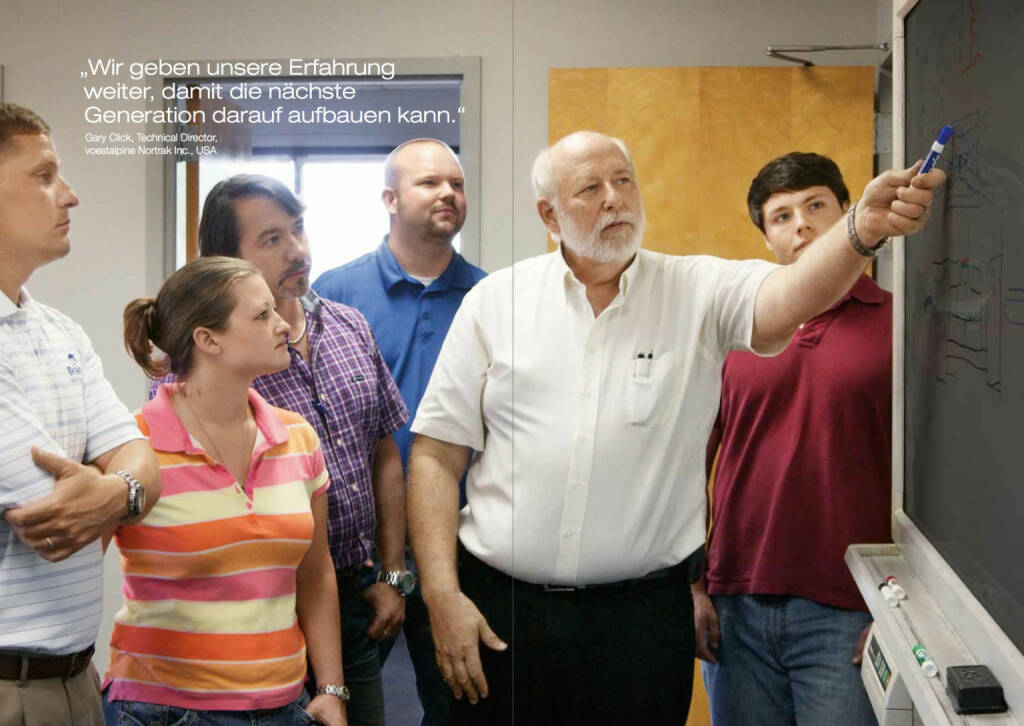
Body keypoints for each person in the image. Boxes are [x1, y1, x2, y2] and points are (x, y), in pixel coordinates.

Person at [406, 130, 945, 726]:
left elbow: (793, 293)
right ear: (549, 214)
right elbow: (435, 454)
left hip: (640, 622)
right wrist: (440, 594)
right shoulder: (494, 301)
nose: (615, 198)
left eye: (624, 181)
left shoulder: (700, 291)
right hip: (501, 609)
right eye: (590, 188)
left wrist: (860, 231)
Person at [154, 175, 409, 726]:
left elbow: (384, 449)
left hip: (348, 591)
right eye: (271, 239)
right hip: (249, 605)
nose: (297, 249)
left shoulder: (348, 327)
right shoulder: (200, 368)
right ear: (227, 259)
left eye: (297, 229)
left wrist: (392, 573)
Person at [692, 152, 890, 726]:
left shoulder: (898, 327)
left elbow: (934, 485)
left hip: (849, 609)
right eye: (781, 216)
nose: (800, 223)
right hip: (735, 605)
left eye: (815, 206)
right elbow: (690, 465)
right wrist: (693, 585)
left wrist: (900, 611)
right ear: (767, 237)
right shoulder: (733, 334)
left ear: (848, 214)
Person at [105, 256, 346, 725]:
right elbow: (74, 561)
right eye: (261, 315)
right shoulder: (131, 446)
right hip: (163, 710)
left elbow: (316, 576)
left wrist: (332, 688)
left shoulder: (298, 438)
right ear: (207, 339)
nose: (282, 325)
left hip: (284, 707)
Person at [314, 138, 486, 726]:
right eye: (430, 183)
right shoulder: (334, 298)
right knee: (340, 703)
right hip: (358, 552)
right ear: (389, 198)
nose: (448, 194)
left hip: (462, 545)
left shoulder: (492, 298)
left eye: (456, 184)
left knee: (462, 705)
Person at [0, 102, 160, 725]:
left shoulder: (59, 330)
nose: (69, 196)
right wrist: (126, 491)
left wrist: (116, 489)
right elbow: (47, 507)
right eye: (43, 176)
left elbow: (145, 462)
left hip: (74, 677)